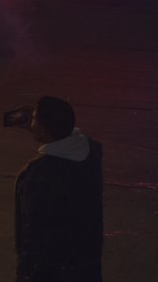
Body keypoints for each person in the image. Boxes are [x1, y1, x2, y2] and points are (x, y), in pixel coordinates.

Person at [14, 96, 104, 282]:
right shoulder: (89, 153)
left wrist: (26, 273)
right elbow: (63, 136)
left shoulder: (41, 174)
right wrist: (40, 128)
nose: (31, 122)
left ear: (44, 130)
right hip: (86, 261)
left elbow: (36, 231)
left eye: (34, 120)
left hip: (54, 269)